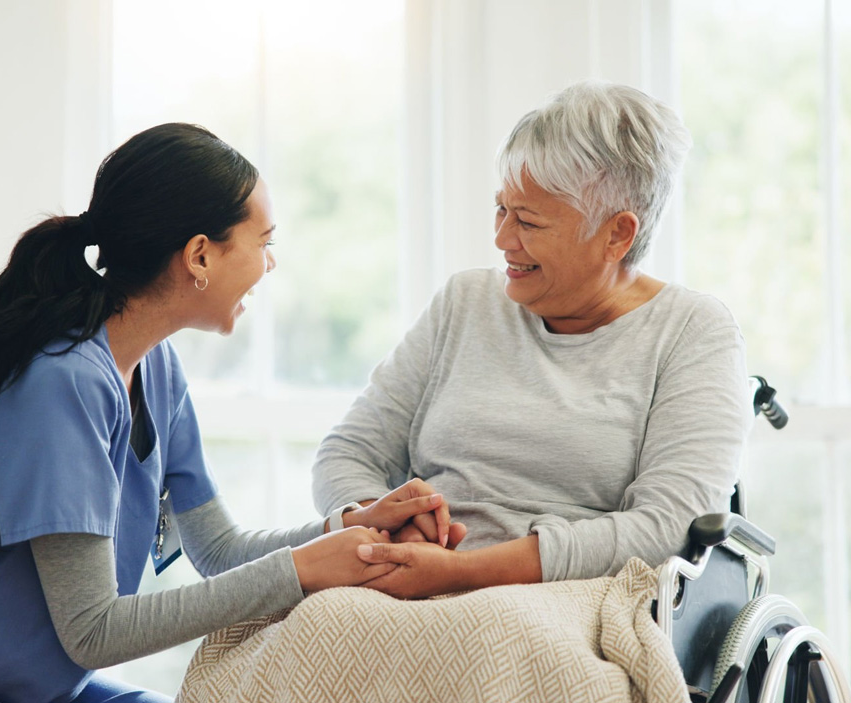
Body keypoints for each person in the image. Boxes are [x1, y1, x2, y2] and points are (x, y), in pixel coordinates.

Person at [0, 123, 453, 703]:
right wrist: (302, 570)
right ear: (199, 256)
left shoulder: (156, 369)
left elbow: (217, 547)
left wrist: (347, 527)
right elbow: (94, 631)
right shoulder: (62, 381)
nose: (270, 265)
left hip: (32, 686)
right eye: (263, 243)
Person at [312, 81, 753, 598]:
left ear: (617, 234)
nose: (501, 240)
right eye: (501, 209)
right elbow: (348, 452)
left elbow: (666, 526)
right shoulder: (464, 302)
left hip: (571, 601)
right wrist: (378, 522)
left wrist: (462, 572)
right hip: (406, 580)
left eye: (527, 221)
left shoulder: (693, 332)